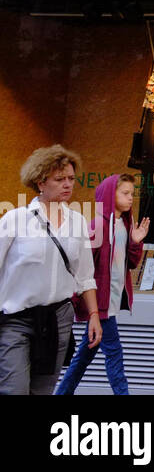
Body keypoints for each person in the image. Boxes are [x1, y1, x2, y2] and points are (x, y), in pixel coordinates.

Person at [0, 146, 101, 395]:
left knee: (43, 391)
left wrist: (94, 315)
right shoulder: (15, 219)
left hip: (58, 318)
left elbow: (85, 275)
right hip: (16, 319)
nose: (67, 185)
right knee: (14, 389)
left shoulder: (77, 222)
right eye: (59, 179)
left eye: (70, 179)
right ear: (40, 182)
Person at [56, 173, 148, 395]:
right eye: (125, 193)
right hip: (99, 304)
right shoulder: (97, 225)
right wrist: (79, 299)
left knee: (84, 356)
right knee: (114, 353)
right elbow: (80, 265)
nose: (130, 198)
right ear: (110, 194)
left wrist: (136, 242)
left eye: (132, 194)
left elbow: (132, 264)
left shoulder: (125, 225)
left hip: (111, 301)